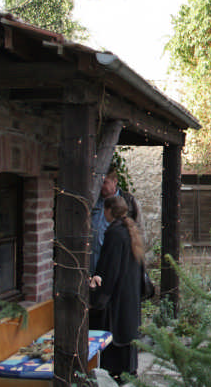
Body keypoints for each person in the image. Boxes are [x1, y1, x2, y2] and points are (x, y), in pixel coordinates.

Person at [89, 196, 143, 384]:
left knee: (115, 331)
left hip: (118, 294)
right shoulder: (130, 230)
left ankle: (117, 371)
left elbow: (110, 266)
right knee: (127, 330)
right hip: (130, 291)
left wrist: (99, 294)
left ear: (109, 210)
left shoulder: (115, 233)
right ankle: (128, 369)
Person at [91, 164, 141, 274]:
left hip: (116, 262)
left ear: (115, 181)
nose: (101, 186)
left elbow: (139, 230)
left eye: (105, 182)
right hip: (93, 259)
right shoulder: (93, 201)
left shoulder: (129, 202)